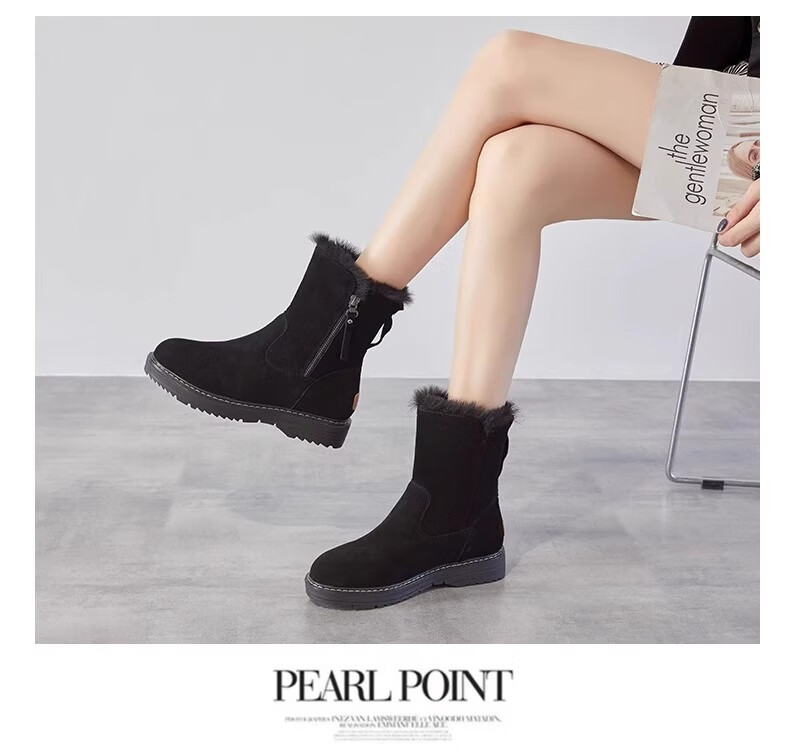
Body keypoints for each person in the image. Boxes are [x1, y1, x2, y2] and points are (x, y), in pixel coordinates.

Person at [144, 16, 761, 609]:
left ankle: (312, 351)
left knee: (510, 62)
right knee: (512, 166)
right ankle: (455, 511)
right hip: (740, 118)